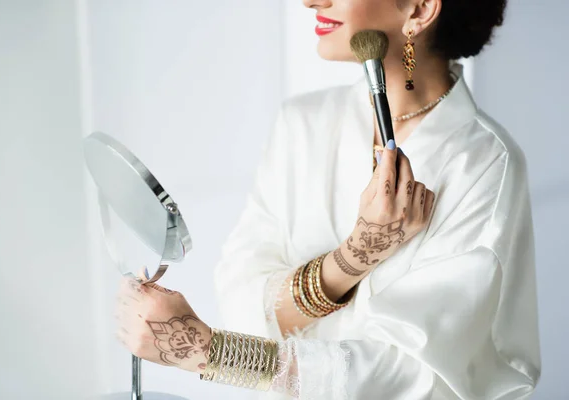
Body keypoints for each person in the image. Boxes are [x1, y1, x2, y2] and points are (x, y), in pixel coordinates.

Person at [116, 0, 542, 398]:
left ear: (420, 7)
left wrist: (213, 353)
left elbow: (416, 373)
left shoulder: (485, 163)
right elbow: (241, 293)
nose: (310, 1)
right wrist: (354, 257)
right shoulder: (301, 124)